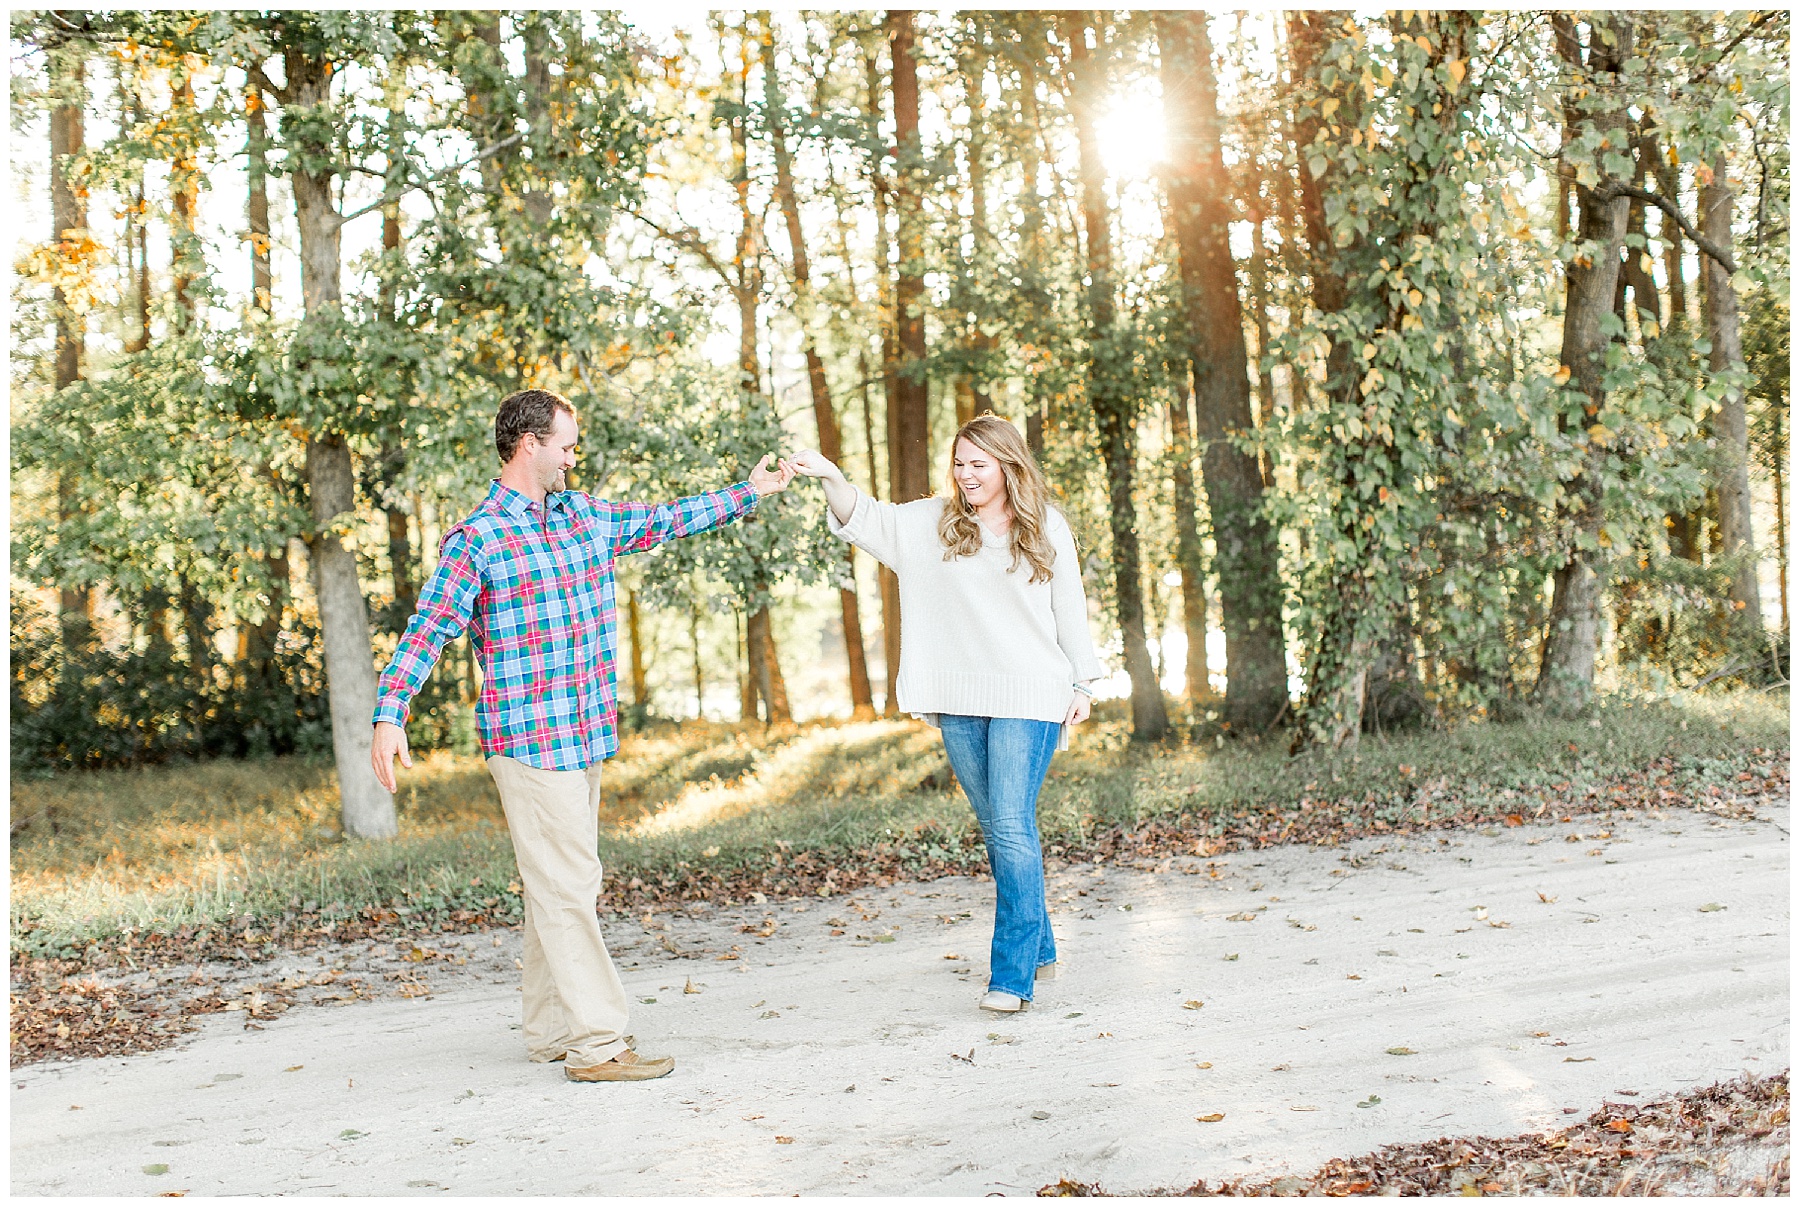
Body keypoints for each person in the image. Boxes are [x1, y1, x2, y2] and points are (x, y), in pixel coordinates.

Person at [370, 387, 794, 1081]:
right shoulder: (478, 540)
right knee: (568, 885)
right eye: (565, 444)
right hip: (530, 743)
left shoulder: (583, 517)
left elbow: (665, 519)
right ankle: (598, 1044)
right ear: (528, 444)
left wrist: (749, 493)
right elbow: (429, 628)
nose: (574, 456)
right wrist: (391, 712)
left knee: (558, 883)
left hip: (585, 734)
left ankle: (550, 1031)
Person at [782, 415, 1104, 1014]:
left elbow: (1071, 607)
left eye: (979, 464)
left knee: (1010, 825)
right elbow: (866, 517)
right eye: (959, 463)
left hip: (1031, 692)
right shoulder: (935, 522)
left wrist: (1083, 680)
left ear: (1009, 465)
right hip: (959, 696)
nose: (966, 475)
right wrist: (828, 475)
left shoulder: (1046, 525)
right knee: (999, 826)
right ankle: (1040, 945)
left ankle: (1011, 977)